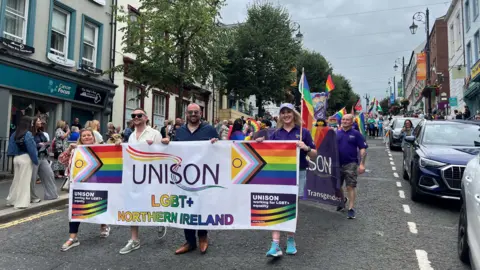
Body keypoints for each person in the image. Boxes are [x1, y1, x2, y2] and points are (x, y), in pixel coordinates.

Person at [256, 103, 316, 257]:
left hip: (298, 172)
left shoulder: (304, 132)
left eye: (289, 112)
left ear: (294, 114)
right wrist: (260, 143)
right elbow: (267, 151)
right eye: (283, 113)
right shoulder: (275, 133)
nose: (286, 115)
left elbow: (315, 154)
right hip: (279, 174)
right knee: (276, 204)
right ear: (280, 116)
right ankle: (275, 244)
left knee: (291, 206)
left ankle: (290, 239)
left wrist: (306, 148)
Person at [162, 103, 218, 255]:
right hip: (184, 176)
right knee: (186, 207)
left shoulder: (210, 129)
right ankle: (190, 241)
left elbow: (220, 151)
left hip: (204, 175)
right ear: (186, 114)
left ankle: (203, 237)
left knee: (202, 205)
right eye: (190, 112)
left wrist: (216, 144)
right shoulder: (179, 131)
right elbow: (173, 151)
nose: (193, 114)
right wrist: (166, 144)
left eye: (196, 112)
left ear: (201, 114)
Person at [119, 108, 166, 255]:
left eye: (139, 115)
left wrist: (158, 145)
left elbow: (164, 154)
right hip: (135, 176)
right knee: (133, 204)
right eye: (133, 116)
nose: (136, 117)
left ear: (146, 118)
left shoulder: (154, 133)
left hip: (152, 175)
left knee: (153, 201)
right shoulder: (132, 135)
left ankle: (160, 219)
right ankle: (134, 239)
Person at [59, 129, 111, 251]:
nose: (87, 137)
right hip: (80, 185)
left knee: (100, 205)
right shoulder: (76, 150)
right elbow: (61, 160)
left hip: (98, 183)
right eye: (84, 136)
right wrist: (69, 149)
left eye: (89, 135)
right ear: (80, 138)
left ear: (93, 137)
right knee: (76, 210)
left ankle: (104, 225)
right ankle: (73, 238)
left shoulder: (101, 149)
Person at [336, 114, 367, 219]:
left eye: (347, 120)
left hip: (351, 164)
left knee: (350, 186)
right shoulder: (336, 133)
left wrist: (362, 164)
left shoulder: (356, 134)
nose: (344, 121)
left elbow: (362, 148)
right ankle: (342, 200)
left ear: (352, 122)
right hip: (337, 164)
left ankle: (351, 208)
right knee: (337, 186)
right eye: (343, 119)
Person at [6, 116, 38, 209]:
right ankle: (21, 203)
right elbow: (31, 149)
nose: (32, 124)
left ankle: (12, 200)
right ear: (28, 123)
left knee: (16, 180)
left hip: (16, 158)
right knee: (24, 181)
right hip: (25, 158)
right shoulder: (27, 134)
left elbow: (11, 147)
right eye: (31, 123)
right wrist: (35, 160)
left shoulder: (15, 133)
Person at [31, 117, 58, 203]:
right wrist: (39, 145)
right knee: (32, 178)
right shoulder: (29, 133)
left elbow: (46, 141)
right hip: (34, 157)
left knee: (49, 174)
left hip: (42, 156)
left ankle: (51, 195)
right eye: (38, 120)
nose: (40, 122)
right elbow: (30, 144)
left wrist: (46, 144)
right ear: (33, 122)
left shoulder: (40, 132)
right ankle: (32, 197)